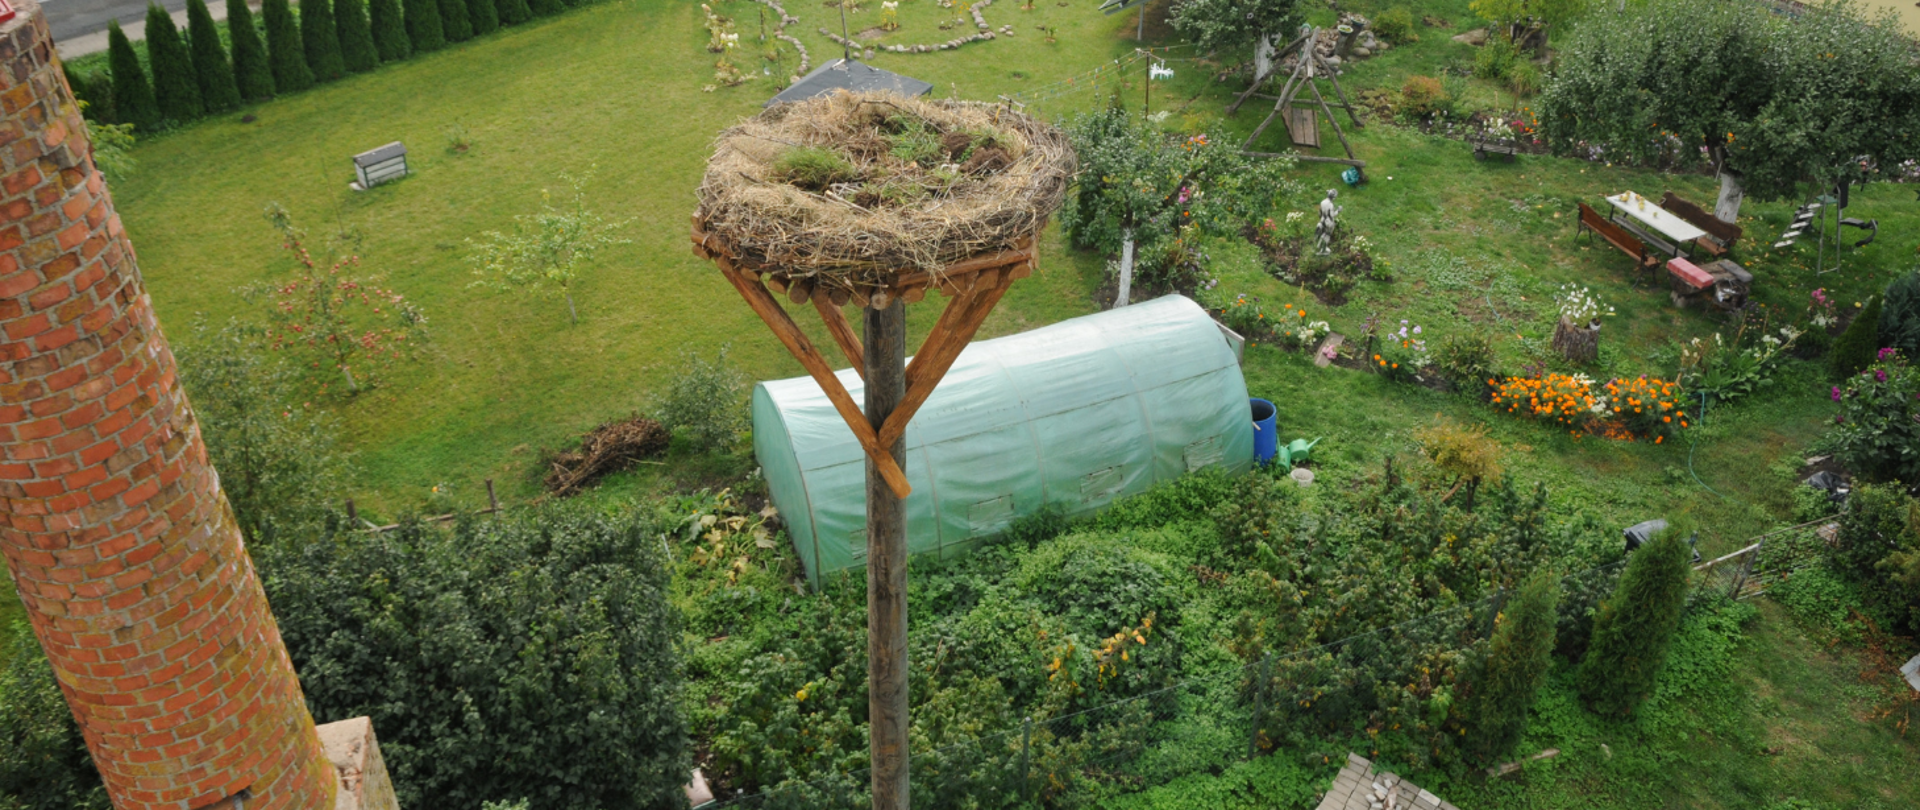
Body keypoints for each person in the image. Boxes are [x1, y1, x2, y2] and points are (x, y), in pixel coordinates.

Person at [1315, 189, 1341, 255]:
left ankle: (1318, 245)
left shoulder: (1322, 202)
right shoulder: (1330, 205)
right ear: (1333, 197)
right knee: (1327, 235)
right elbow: (1332, 215)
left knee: (1323, 233)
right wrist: (1338, 210)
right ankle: (1323, 250)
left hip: (1323, 219)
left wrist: (1321, 219)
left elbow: (1320, 212)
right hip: (1328, 222)